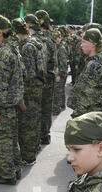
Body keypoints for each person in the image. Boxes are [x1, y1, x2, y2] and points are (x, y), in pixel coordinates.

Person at [0, 15, 24, 185]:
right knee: (11, 140)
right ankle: (15, 169)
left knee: (3, 142)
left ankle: (7, 175)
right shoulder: (12, 49)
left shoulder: (3, 53)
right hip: (12, 105)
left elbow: (0, 85)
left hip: (4, 106)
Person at [12, 17, 45, 166]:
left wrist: (21, 95)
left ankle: (28, 156)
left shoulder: (26, 47)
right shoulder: (37, 43)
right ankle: (33, 149)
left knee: (27, 125)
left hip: (29, 90)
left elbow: (28, 74)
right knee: (34, 120)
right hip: (37, 88)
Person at [67, 28, 102, 118]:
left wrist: (77, 114)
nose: (81, 45)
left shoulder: (94, 64)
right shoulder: (95, 60)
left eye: (84, 42)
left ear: (93, 44)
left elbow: (87, 94)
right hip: (89, 111)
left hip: (87, 112)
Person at [35, 10, 57, 145]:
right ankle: (45, 134)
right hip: (50, 77)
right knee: (46, 108)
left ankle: (39, 135)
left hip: (43, 78)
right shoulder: (51, 38)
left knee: (38, 108)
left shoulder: (41, 39)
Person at [53, 30, 68, 116]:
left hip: (61, 73)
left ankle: (56, 109)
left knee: (57, 91)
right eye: (55, 38)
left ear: (60, 37)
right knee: (61, 90)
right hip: (60, 72)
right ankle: (62, 105)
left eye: (58, 38)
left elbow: (63, 64)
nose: (57, 39)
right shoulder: (56, 47)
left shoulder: (61, 48)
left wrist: (59, 75)